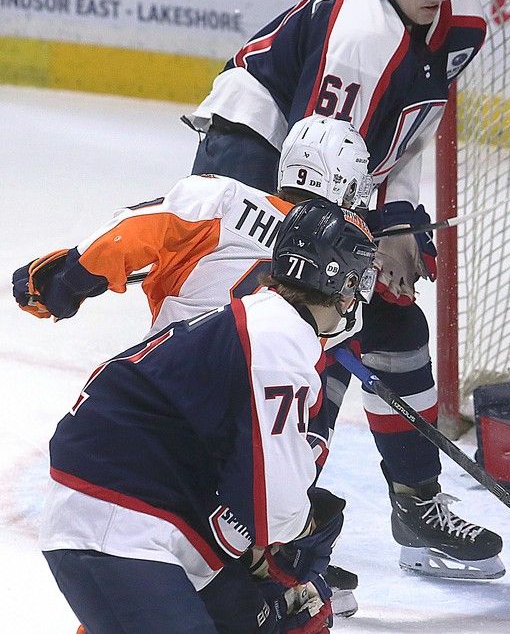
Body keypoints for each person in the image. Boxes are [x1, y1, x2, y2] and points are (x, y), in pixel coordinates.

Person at [181, 0, 502, 579]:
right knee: (300, 329)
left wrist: (398, 221)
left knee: (394, 326)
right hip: (258, 155)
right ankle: (258, 530)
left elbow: (405, 136)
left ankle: (415, 505)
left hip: (332, 162)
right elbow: (312, 163)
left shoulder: (463, 20)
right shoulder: (360, 40)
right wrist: (365, 239)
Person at [13, 113, 370, 617]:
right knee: (283, 601)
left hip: (157, 416)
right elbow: (304, 423)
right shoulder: (337, 294)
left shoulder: (225, 201)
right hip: (218, 461)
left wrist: (66, 279)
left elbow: (133, 234)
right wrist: (291, 529)